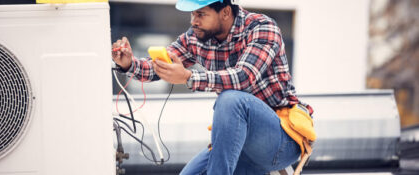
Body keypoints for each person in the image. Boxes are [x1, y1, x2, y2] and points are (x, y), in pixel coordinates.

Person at [112, 0, 314, 174]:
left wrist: (189, 77)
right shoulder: (196, 37)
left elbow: (243, 77)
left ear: (225, 12)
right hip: (239, 142)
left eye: (201, 14)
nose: (193, 21)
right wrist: (129, 64)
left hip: (280, 140)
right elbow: (158, 66)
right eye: (192, 14)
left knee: (231, 99)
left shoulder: (262, 28)